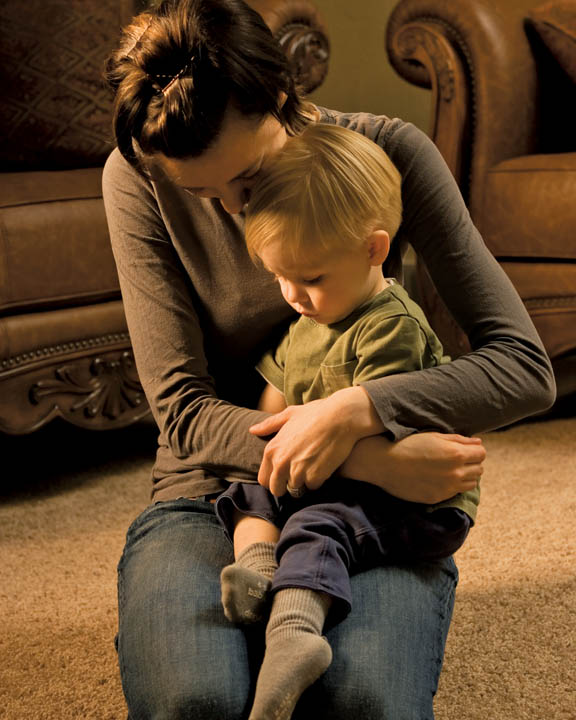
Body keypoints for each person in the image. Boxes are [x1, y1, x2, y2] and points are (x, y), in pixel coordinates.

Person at [102, 0, 555, 717]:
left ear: (283, 100)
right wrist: (359, 452)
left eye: (247, 184)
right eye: (201, 193)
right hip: (213, 490)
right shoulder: (136, 175)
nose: (231, 212)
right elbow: (183, 412)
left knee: (361, 704)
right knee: (198, 702)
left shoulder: (388, 154)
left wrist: (361, 408)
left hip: (374, 512)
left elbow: (524, 369)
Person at [215, 122, 478, 720]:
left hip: (410, 499)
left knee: (316, 525)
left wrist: (298, 448)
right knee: (245, 489)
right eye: (279, 276)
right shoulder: (308, 321)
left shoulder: (391, 326)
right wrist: (271, 453)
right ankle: (258, 573)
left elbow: (375, 431)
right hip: (344, 475)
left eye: (309, 278)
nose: (292, 295)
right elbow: (272, 404)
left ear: (373, 249)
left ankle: (293, 635)